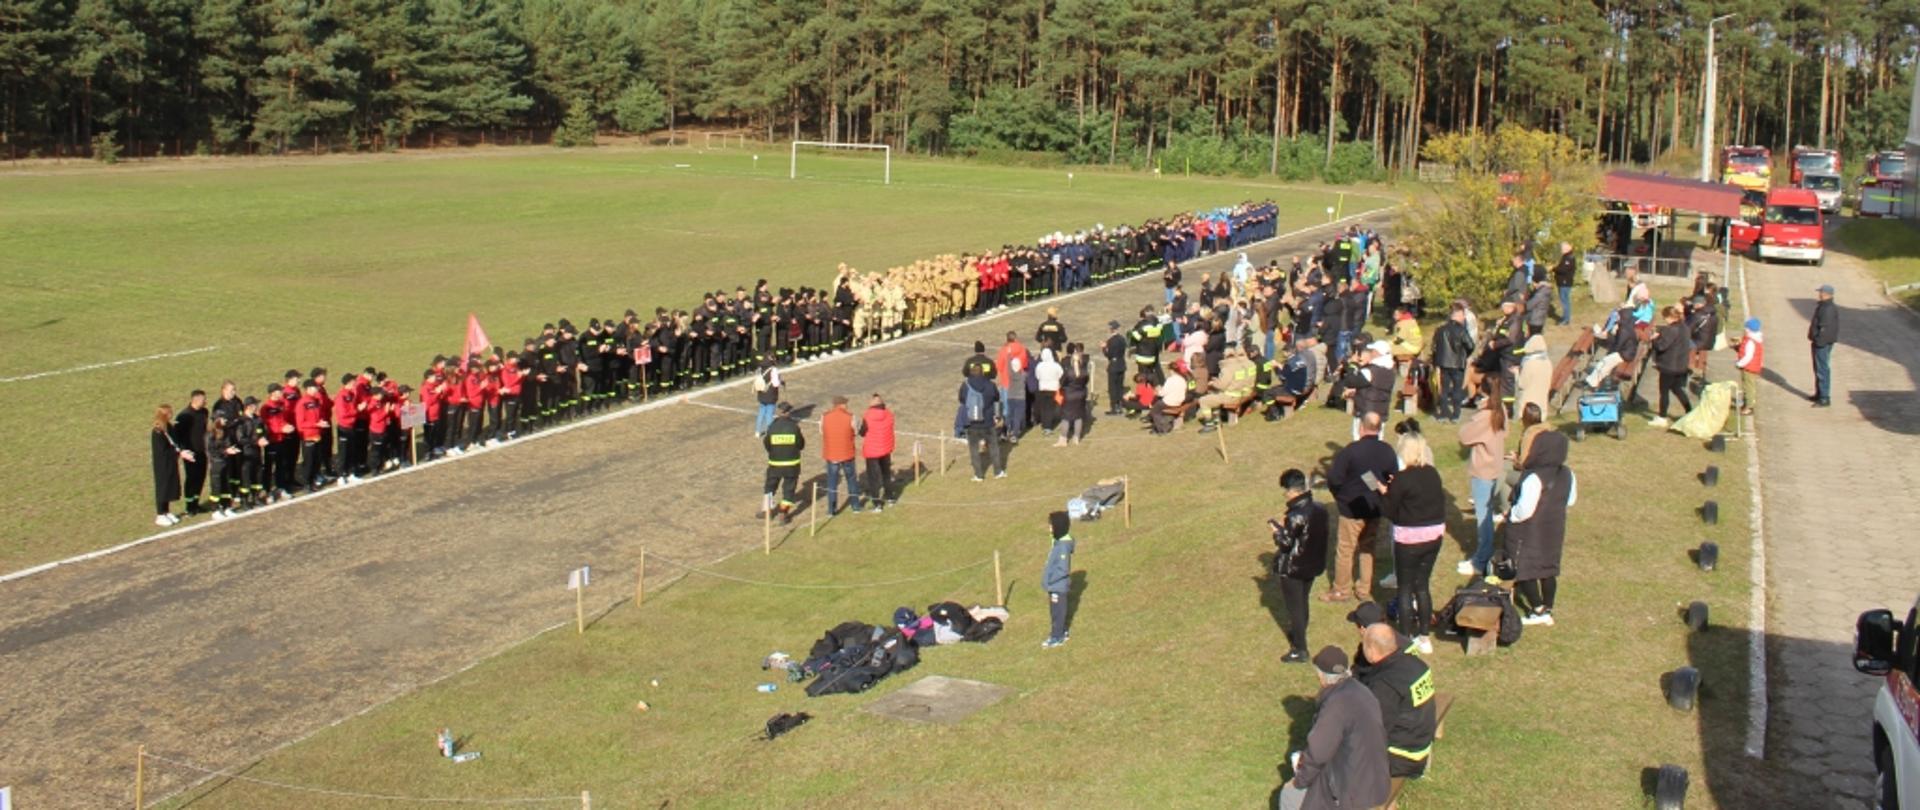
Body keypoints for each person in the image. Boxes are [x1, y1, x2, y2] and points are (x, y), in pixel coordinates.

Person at [1277, 647, 1391, 810]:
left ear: (1321, 676)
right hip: (1377, 780)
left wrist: (1298, 781)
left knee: (1289, 796)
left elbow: (1318, 754)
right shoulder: (1363, 691)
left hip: (1353, 794)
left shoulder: (1336, 706)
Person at [1379, 432, 1444, 656]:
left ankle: (1406, 639)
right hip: (1434, 535)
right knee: (1422, 586)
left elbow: (1388, 510)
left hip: (1409, 538)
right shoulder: (1432, 473)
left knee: (1405, 588)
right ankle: (1424, 637)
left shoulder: (1402, 478)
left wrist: (1383, 492)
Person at [1323, 412, 1397, 603]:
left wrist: (1339, 497)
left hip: (1352, 509)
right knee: (1367, 548)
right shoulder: (1387, 450)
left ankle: (1341, 590)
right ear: (1380, 429)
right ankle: (1364, 588)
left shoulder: (1351, 451)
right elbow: (1393, 479)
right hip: (1374, 508)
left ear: (1360, 428)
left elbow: (1334, 479)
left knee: (1345, 550)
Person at [1508, 432, 1577, 625]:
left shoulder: (1534, 477)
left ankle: (1538, 609)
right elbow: (1570, 500)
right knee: (1548, 568)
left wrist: (1512, 515)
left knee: (1524, 568)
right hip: (1555, 528)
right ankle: (1548, 606)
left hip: (1531, 530)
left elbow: (1524, 510)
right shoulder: (1568, 473)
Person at [1356, 623, 1438, 779]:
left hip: (1402, 757)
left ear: (1372, 650)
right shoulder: (1415, 663)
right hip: (1421, 742)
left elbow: (1375, 730)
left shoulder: (1385, 684)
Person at [1270, 469, 1330, 663]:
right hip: (1312, 565)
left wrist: (1277, 532)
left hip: (1293, 568)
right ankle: (1299, 632)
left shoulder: (1295, 515)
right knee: (1303, 601)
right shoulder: (1320, 509)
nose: (1285, 495)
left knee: (1295, 607)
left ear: (1293, 491)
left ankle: (1300, 649)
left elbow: (1286, 544)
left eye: (1286, 491)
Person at [1457, 379, 1508, 576]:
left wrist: (1477, 412)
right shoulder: (1500, 409)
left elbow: (1464, 435)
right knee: (1485, 513)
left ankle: (1481, 559)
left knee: (1483, 517)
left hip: (1483, 471)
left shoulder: (1485, 415)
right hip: (1495, 466)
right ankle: (1483, 554)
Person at [1648, 305, 1693, 428]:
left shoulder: (1671, 330)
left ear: (1669, 317)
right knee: (1677, 389)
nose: (1664, 320)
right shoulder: (1684, 327)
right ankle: (1689, 411)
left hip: (1669, 366)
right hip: (1681, 365)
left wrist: (1654, 339)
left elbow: (1661, 346)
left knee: (1664, 391)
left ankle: (1662, 417)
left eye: (1664, 318)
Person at [1341, 341, 1395, 440]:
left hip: (1365, 412)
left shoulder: (1370, 371)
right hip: (1381, 412)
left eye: (1372, 351)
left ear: (1377, 353)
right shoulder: (1390, 371)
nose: (1370, 352)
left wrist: (1353, 364)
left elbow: (1350, 381)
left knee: (1359, 439)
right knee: (1378, 440)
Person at [820, 395, 864, 515]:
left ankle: (831, 510)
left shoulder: (825, 417)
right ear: (842, 405)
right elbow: (855, 431)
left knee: (832, 483)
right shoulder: (850, 417)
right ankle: (855, 506)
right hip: (847, 454)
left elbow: (821, 431)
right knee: (851, 480)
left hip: (831, 454)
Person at [1429, 303, 1473, 423]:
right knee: (1457, 390)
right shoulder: (1461, 330)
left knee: (1444, 389)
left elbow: (1434, 347)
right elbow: (1470, 345)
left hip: (1443, 362)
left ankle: (1443, 413)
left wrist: (1436, 360)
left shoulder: (1440, 330)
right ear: (1458, 315)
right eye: (1463, 315)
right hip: (1458, 363)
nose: (1464, 318)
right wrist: (1464, 355)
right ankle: (1456, 414)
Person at [762, 402, 804, 524]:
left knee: (769, 488)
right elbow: (801, 445)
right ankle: (783, 513)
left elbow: (767, 444)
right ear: (788, 412)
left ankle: (767, 511)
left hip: (775, 465)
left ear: (778, 412)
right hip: (792, 465)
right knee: (788, 490)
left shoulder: (772, 427)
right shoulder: (794, 427)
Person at [960, 367, 1004, 480]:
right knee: (994, 447)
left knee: (974, 449)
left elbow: (961, 400)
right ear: (983, 373)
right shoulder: (991, 385)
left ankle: (978, 475)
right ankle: (998, 472)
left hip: (972, 422)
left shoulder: (965, 386)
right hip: (988, 421)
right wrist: (998, 416)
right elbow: (997, 398)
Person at [172, 390, 210, 515]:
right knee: (191, 479)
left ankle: (196, 503)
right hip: (190, 453)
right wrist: (183, 451)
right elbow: (177, 436)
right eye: (203, 399)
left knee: (201, 477)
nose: (205, 401)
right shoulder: (184, 416)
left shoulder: (204, 412)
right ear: (196, 400)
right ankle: (190, 506)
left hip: (202, 451)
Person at [1042, 510, 1076, 648]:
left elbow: (1062, 569)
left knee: (1057, 612)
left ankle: (1057, 636)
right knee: (1056, 611)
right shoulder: (1058, 543)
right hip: (1054, 586)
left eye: (1051, 526)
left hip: (1057, 586)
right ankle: (1060, 632)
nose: (1049, 528)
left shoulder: (1062, 547)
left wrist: (1050, 580)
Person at [150, 404, 187, 526]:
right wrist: (177, 452)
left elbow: (175, 441)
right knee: (163, 488)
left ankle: (166, 511)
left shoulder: (169, 427)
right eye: (169, 413)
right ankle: (160, 514)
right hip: (162, 464)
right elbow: (162, 450)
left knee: (170, 486)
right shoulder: (158, 431)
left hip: (171, 462)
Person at [858, 393, 895, 511]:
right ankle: (890, 498)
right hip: (885, 448)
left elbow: (862, 432)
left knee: (873, 478)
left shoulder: (868, 416)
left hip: (872, 451)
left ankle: (877, 504)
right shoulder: (888, 414)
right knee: (886, 474)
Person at [1809, 284, 1838, 407]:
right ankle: (1819, 393)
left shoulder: (1827, 309)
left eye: (1821, 292)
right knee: (1818, 368)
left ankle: (1824, 397)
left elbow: (1825, 327)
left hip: (1822, 343)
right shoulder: (1824, 306)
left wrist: (1818, 340)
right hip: (1821, 342)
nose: (1819, 294)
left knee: (1822, 369)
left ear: (1826, 294)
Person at [1057, 343, 1091, 445]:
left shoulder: (1068, 373)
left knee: (1066, 418)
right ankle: (1076, 437)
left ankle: (1063, 439)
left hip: (1069, 396)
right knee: (1078, 416)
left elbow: (1061, 383)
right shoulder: (1084, 372)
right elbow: (1086, 382)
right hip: (1080, 394)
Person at [1514, 334, 1551, 420]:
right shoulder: (1547, 362)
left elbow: (1522, 384)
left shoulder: (1529, 363)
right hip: (1542, 402)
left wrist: (1516, 373)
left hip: (1528, 404)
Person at [1731, 317, 1763, 415]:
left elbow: (1748, 356)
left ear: (1749, 329)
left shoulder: (1751, 342)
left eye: (1746, 328)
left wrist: (1739, 363)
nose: (1744, 329)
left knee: (1748, 387)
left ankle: (1749, 407)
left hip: (1749, 367)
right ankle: (1746, 403)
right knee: (1748, 386)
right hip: (1752, 366)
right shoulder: (1754, 339)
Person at [1149, 360, 1191, 434]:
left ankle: (1162, 428)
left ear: (1172, 370)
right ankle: (1165, 423)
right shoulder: (1183, 379)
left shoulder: (1170, 380)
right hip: (1179, 401)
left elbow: (1162, 393)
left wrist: (1157, 391)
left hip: (1169, 402)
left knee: (1154, 411)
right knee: (1161, 408)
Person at [1034, 347, 1064, 436]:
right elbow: (1061, 374)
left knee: (1044, 408)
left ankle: (1045, 425)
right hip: (1053, 388)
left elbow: (1037, 376)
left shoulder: (1039, 366)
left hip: (1043, 388)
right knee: (1050, 408)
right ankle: (1048, 426)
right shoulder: (1055, 365)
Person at [1102, 320, 1129, 415]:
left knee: (1113, 388)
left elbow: (1109, 355)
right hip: (1122, 364)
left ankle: (1114, 407)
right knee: (1119, 387)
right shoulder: (1122, 339)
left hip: (1114, 365)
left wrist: (1104, 348)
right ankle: (1119, 405)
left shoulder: (1111, 341)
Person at [752, 357, 782, 437]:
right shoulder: (773, 370)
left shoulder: (760, 368)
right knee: (769, 414)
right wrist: (780, 381)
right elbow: (776, 384)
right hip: (771, 394)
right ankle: (770, 432)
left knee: (761, 413)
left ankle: (757, 431)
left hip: (761, 394)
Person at [1552, 242, 1577, 325]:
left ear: (1567, 248)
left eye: (1562, 248)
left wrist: (1554, 268)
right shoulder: (1566, 257)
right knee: (1565, 300)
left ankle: (1566, 319)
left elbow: (1563, 269)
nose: (1561, 250)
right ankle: (1565, 317)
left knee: (1565, 301)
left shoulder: (1569, 258)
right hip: (1563, 282)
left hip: (1565, 282)